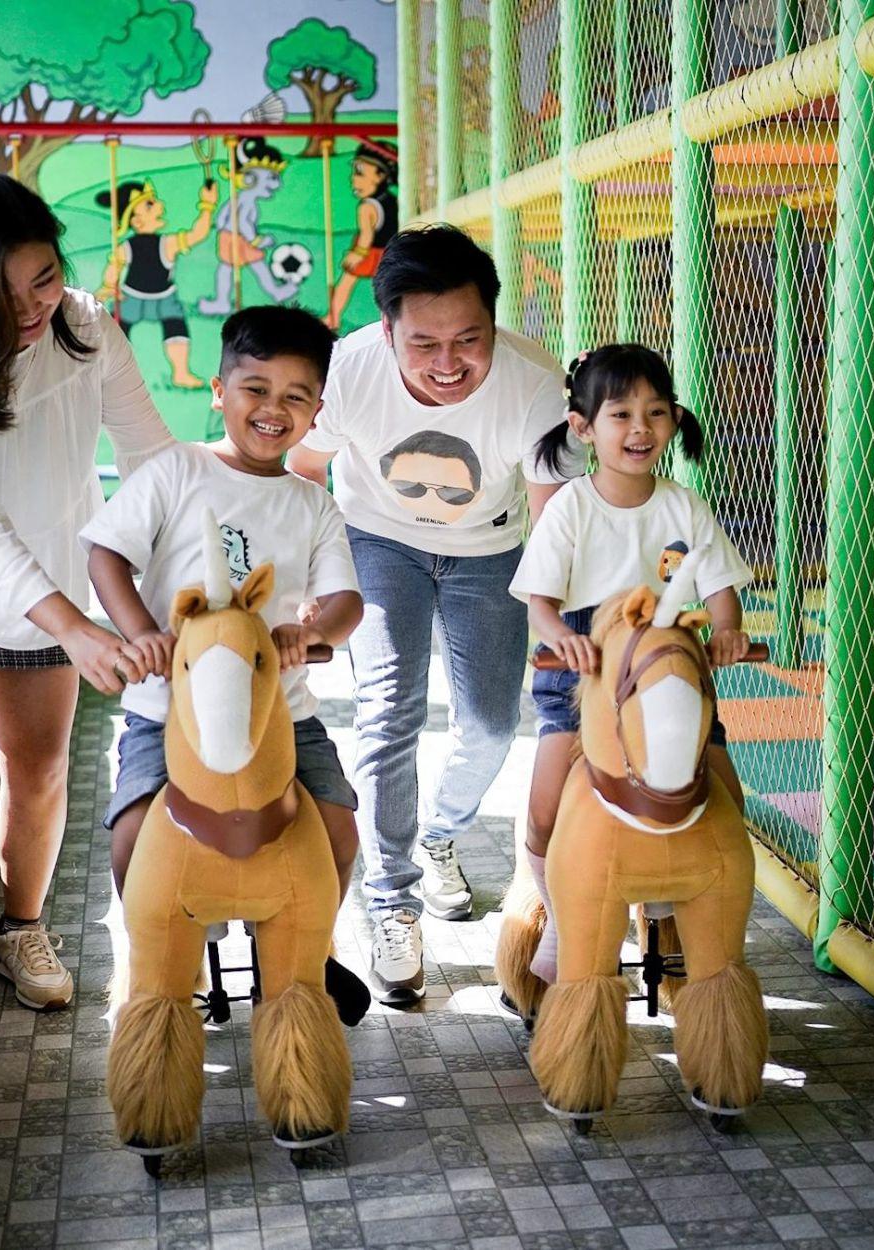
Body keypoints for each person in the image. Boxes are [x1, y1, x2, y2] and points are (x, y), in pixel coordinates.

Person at [0, 174, 174, 1097]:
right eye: (4, 293)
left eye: (43, 277)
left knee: (42, 765)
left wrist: (186, 591)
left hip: (48, 574)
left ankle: (20, 929)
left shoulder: (88, 328)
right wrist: (81, 628)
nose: (31, 307)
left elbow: (154, 464)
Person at [287, 225, 581, 1005]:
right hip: (377, 543)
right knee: (389, 714)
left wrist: (557, 619)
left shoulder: (532, 382)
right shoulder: (347, 371)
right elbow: (300, 470)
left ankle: (442, 833)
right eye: (424, 343)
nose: (449, 363)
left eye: (468, 340)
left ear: (492, 322)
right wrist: (306, 576)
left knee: (490, 723)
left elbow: (555, 516)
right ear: (387, 331)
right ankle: (392, 900)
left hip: (491, 551)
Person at [79, 305, 368, 1018]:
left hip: (282, 716)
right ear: (219, 390)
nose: (274, 410)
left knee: (336, 828)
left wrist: (312, 629)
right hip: (167, 711)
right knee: (132, 836)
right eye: (256, 389)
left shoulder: (313, 504)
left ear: (316, 413)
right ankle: (162, 951)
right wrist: (143, 633)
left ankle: (310, 951)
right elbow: (106, 553)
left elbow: (345, 601)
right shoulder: (177, 469)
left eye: (296, 397)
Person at [509, 344, 752, 981]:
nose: (640, 428)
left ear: (673, 419)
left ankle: (678, 914)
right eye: (620, 414)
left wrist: (726, 629)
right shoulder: (571, 506)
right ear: (584, 427)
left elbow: (720, 585)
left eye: (654, 412)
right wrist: (562, 636)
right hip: (585, 665)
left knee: (724, 795)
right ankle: (562, 915)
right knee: (543, 808)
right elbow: (540, 604)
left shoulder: (683, 505)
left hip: (666, 666)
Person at [96, 175, 219, 389]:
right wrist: (108, 287)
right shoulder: (127, 247)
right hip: (131, 297)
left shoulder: (168, 243)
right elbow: (114, 267)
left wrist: (208, 205)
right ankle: (109, 372)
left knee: (176, 328)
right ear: (135, 220)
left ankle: (180, 372)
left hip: (164, 298)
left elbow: (198, 234)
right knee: (117, 332)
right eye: (150, 204)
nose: (160, 205)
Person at [326, 143, 398, 331]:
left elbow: (366, 237)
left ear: (380, 175)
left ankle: (333, 316)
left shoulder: (367, 207)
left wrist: (355, 254)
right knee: (389, 287)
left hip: (371, 252)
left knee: (347, 280)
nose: (353, 179)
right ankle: (392, 318)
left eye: (360, 172)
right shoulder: (394, 200)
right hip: (392, 252)